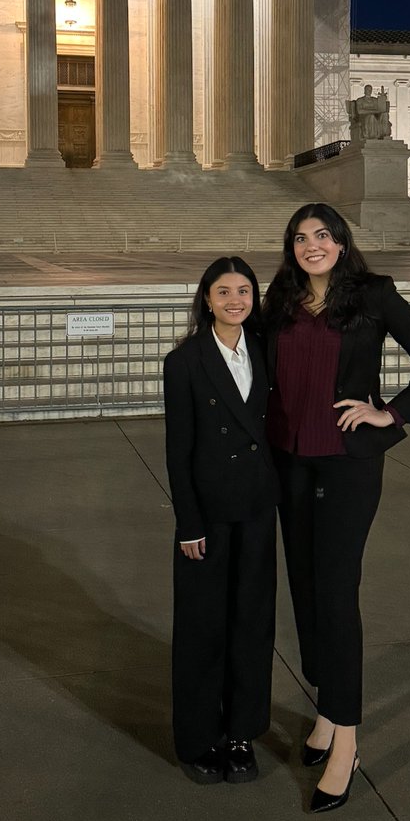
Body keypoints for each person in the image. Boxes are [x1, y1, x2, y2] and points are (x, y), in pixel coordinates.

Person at [262, 203, 410, 812]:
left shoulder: (373, 294)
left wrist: (389, 414)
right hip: (291, 461)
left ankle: (346, 738)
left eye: (323, 235)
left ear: (342, 243)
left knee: (337, 596)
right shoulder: (283, 299)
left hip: (347, 465)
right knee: (306, 589)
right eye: (300, 238)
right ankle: (325, 714)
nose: (311, 245)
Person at [163, 257, 279, 785]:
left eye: (244, 290)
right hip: (207, 517)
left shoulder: (264, 349)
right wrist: (189, 524)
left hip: (256, 510)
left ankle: (241, 733)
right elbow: (178, 450)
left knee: (252, 626)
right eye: (223, 291)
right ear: (205, 299)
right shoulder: (184, 361)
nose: (236, 299)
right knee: (202, 630)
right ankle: (199, 736)